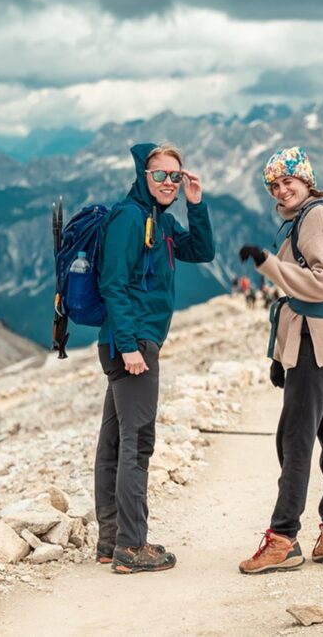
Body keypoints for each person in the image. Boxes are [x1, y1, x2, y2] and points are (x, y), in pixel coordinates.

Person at [94, 142, 215, 574]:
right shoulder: (130, 217)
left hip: (131, 341)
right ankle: (131, 545)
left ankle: (111, 544)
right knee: (138, 443)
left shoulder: (158, 219)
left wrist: (196, 205)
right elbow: (113, 284)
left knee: (114, 443)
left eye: (175, 177)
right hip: (133, 344)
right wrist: (129, 346)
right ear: (143, 176)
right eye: (160, 175)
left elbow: (201, 251)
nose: (168, 183)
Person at [237, 146, 323, 574]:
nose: (282, 189)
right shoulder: (304, 218)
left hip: (313, 344)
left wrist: (267, 264)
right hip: (319, 344)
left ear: (307, 180)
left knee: (295, 441)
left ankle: (283, 538)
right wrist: (278, 354)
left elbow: (320, 286)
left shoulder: (316, 217)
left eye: (289, 181)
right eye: (275, 184)